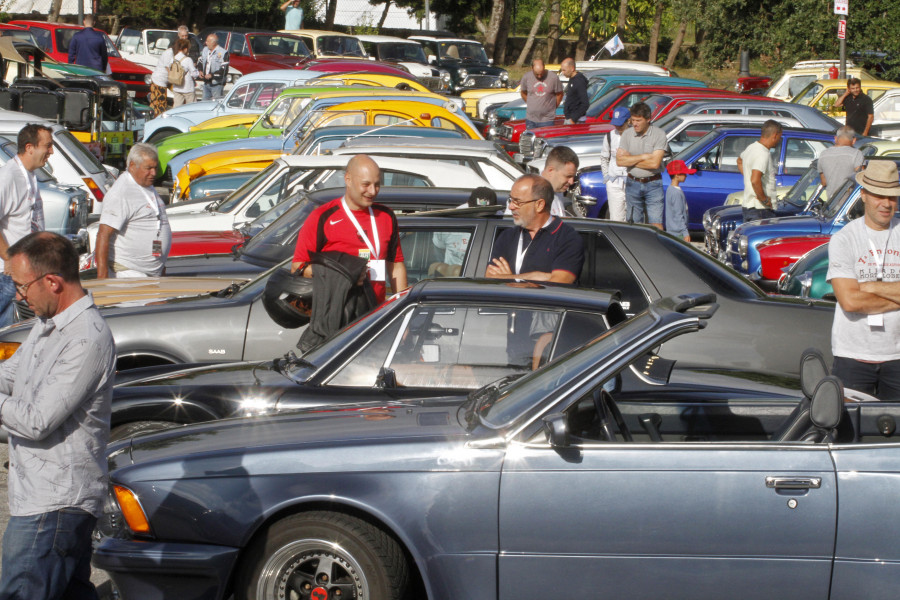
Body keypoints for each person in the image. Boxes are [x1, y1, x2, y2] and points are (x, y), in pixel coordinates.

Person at [0, 231, 115, 600]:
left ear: (52, 282)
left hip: (54, 506)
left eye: (21, 286)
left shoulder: (86, 337)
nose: (18, 296)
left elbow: (37, 421)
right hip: (42, 499)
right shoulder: (47, 325)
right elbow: (8, 377)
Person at [826, 160, 900, 400]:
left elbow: (858, 296)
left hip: (897, 357)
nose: (886, 203)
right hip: (853, 356)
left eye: (892, 197)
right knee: (850, 430)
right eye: (879, 195)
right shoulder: (844, 239)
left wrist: (871, 286)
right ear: (864, 195)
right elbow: (850, 301)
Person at [291, 155, 407, 304]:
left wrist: (402, 312)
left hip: (375, 314)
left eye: (377, 184)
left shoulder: (386, 216)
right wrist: (341, 274)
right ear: (348, 179)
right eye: (366, 184)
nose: (372, 191)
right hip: (336, 313)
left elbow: (395, 266)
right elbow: (298, 267)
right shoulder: (322, 217)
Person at [486, 174, 584, 284]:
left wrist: (510, 277)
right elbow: (490, 277)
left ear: (539, 205)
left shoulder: (567, 238)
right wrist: (541, 277)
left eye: (517, 202)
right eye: (510, 200)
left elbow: (559, 282)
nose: (511, 207)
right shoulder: (507, 236)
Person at [0, 123, 51, 327]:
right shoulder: (8, 177)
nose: (51, 151)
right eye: (47, 146)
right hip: (7, 277)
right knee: (7, 335)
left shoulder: (30, 175)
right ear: (30, 147)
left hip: (25, 273)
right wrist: (9, 257)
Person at [95, 143, 171, 279]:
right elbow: (103, 235)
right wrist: (103, 280)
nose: (154, 173)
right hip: (128, 274)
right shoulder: (122, 192)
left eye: (155, 167)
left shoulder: (145, 185)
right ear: (132, 166)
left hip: (148, 275)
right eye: (148, 168)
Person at [616, 101, 667, 228]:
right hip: (633, 182)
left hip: (653, 183)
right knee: (633, 223)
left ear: (648, 119)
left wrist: (631, 160)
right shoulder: (627, 134)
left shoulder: (659, 134)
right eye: (633, 120)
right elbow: (620, 161)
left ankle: (655, 247)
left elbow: (655, 164)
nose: (635, 124)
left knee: (656, 224)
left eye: (638, 120)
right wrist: (643, 157)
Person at [736, 119, 783, 222]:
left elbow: (739, 161)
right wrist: (764, 199)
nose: (780, 140)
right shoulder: (762, 153)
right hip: (760, 210)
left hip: (748, 207)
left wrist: (748, 176)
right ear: (775, 135)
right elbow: (755, 180)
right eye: (780, 136)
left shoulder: (752, 147)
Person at [599, 106, 630, 221]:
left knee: (631, 218)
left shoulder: (634, 136)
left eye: (621, 124)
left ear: (629, 121)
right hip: (614, 183)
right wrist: (606, 177)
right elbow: (604, 158)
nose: (618, 127)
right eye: (616, 124)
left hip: (630, 182)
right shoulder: (609, 136)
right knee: (616, 218)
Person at [818, 126, 864, 202]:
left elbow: (824, 182)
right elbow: (860, 179)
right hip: (849, 202)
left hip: (831, 202)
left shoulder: (823, 154)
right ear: (854, 140)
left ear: (835, 138)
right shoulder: (857, 154)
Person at [519, 59, 563, 130]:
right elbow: (523, 92)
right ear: (532, 68)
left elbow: (560, 94)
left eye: (541, 73)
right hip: (531, 119)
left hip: (547, 120)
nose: (539, 76)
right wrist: (530, 103)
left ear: (544, 67)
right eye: (537, 74)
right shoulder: (526, 77)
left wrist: (553, 107)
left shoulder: (553, 77)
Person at [665, 160, 695, 242]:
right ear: (677, 175)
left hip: (673, 231)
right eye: (684, 173)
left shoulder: (670, 189)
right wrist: (685, 233)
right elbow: (678, 214)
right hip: (678, 233)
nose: (686, 175)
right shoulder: (676, 193)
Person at [198, 34, 229, 101]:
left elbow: (224, 70)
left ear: (214, 42)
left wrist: (212, 75)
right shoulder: (205, 50)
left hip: (217, 84)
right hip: (206, 83)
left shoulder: (223, 53)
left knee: (216, 104)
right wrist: (200, 70)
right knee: (204, 103)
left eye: (208, 41)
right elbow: (200, 61)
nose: (206, 43)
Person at [148, 37, 174, 118]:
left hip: (161, 80)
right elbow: (167, 67)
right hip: (160, 80)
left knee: (155, 103)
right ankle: (159, 120)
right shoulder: (169, 52)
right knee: (160, 103)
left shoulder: (172, 53)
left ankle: (152, 118)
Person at [170, 38, 199, 107]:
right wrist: (197, 71)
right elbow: (194, 74)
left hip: (176, 87)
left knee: (176, 107)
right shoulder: (188, 59)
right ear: (185, 49)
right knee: (191, 108)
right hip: (187, 88)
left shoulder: (173, 59)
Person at [560, 57, 588, 124]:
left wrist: (574, 118)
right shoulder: (572, 79)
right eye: (562, 70)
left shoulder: (579, 81)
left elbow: (585, 103)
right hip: (569, 118)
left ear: (572, 68)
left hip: (576, 120)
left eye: (564, 70)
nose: (563, 73)